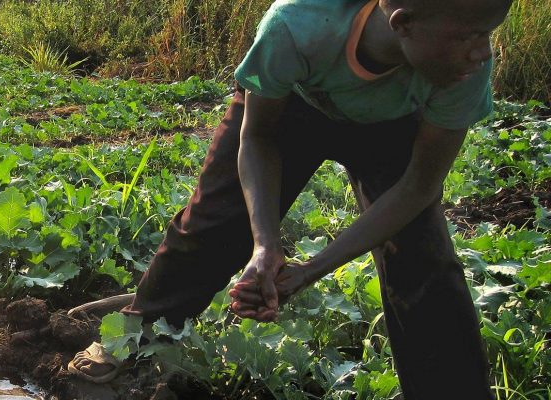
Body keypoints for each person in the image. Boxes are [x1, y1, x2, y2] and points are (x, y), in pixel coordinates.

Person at [67, 0, 511, 398]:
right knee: (214, 224)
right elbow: (257, 136)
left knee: (424, 262)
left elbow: (418, 187)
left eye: (488, 33)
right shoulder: (299, 23)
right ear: (404, 23)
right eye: (469, 35)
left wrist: (310, 271)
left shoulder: (462, 70)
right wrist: (265, 244)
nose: (483, 51)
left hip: (393, 123)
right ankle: (137, 326)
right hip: (291, 108)